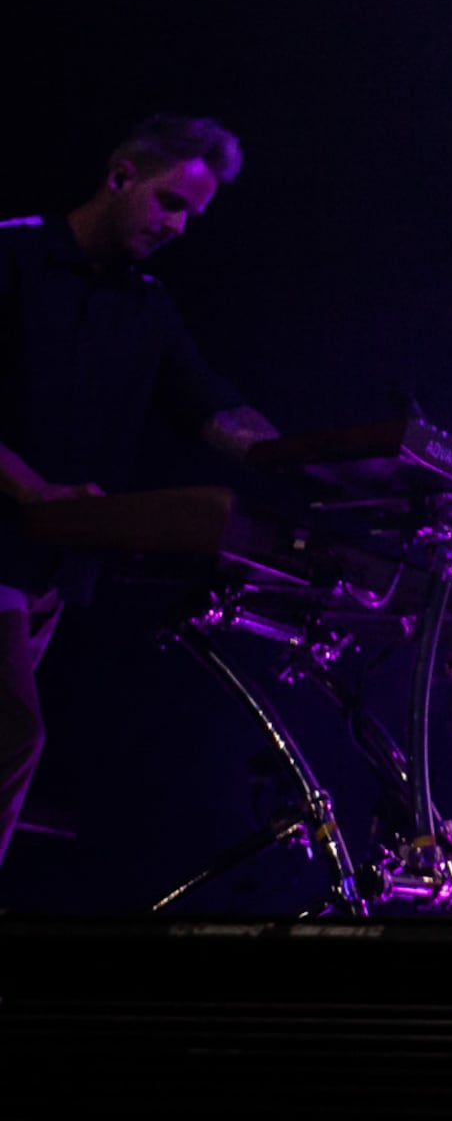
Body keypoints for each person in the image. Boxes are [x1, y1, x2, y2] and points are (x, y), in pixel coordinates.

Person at [1, 116, 283, 868]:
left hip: (44, 573)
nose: (179, 227)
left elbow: (212, 411)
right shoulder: (14, 253)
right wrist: (29, 490)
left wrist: (332, 461)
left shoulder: (145, 304)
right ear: (121, 175)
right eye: (170, 203)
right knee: (10, 731)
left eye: (193, 214)